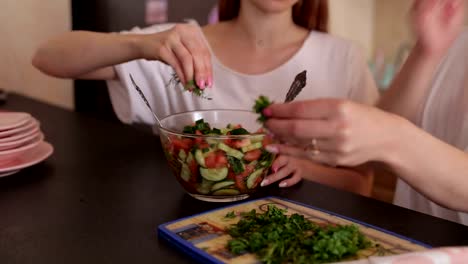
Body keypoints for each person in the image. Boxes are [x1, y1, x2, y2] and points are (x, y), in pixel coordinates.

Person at [32, 0, 379, 195]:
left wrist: (306, 168)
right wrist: (139, 45)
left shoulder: (342, 59)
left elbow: (361, 182)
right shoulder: (176, 44)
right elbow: (47, 57)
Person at [262, 0, 468, 224]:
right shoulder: (452, 38)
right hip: (412, 246)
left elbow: (384, 144)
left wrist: (390, 137)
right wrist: (426, 52)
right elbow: (377, 157)